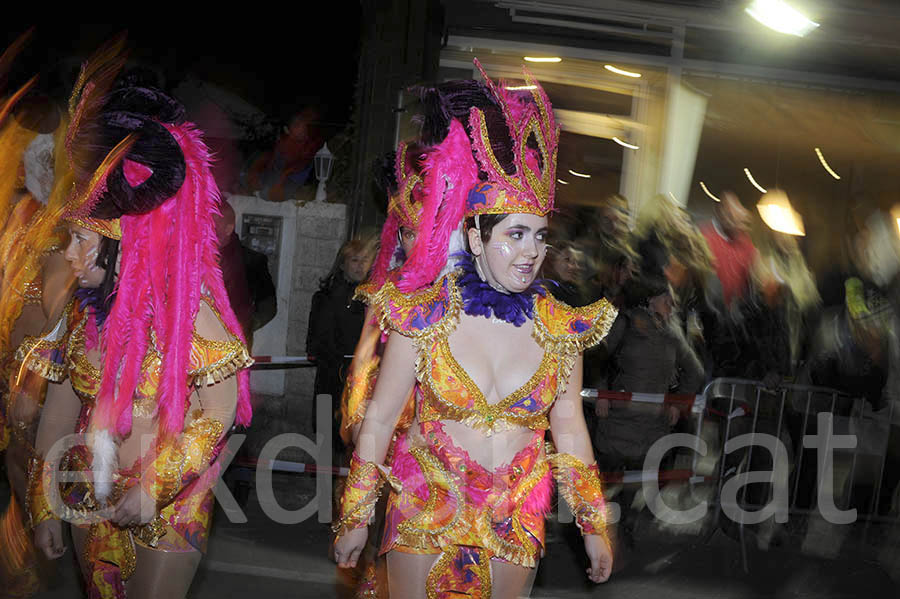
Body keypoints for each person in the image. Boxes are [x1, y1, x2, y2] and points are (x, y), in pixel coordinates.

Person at [332, 61, 616, 598]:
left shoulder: (561, 329)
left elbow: (571, 429)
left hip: (517, 512)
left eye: (539, 236)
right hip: (427, 498)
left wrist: (593, 525)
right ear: (476, 237)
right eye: (514, 234)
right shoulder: (424, 314)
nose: (531, 251)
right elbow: (383, 416)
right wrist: (356, 514)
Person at [24, 70, 252, 599]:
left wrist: (156, 485)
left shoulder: (186, 312)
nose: (69, 255)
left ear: (120, 244)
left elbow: (219, 412)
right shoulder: (80, 318)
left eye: (81, 240)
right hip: (89, 490)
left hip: (172, 498)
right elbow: (57, 416)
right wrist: (45, 509)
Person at [0, 96, 74, 599]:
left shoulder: (63, 246)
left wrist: (30, 385)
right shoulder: (18, 231)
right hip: (14, 395)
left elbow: (60, 326)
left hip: (38, 400)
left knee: (33, 510)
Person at [307, 237, 375, 453]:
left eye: (365, 260)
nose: (360, 266)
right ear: (343, 263)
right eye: (355, 260)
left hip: (363, 383)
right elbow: (315, 342)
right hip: (332, 381)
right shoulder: (325, 298)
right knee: (328, 443)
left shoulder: (375, 300)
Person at [214, 199, 277, 344]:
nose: (207, 229)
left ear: (228, 228)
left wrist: (244, 325)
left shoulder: (251, 261)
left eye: (213, 224)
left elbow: (268, 306)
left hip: (234, 346)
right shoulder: (193, 258)